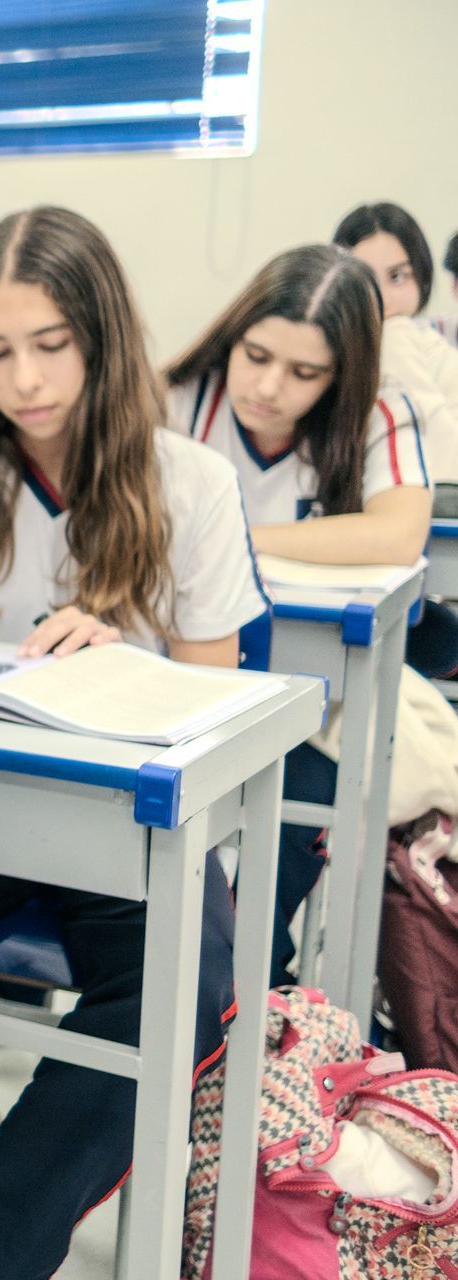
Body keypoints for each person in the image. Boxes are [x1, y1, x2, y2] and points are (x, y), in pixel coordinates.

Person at [0, 207, 263, 1279]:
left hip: (123, 832)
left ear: (102, 336)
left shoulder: (191, 482)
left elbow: (214, 699)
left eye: (50, 345)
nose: (23, 379)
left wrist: (124, 658)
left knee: (192, 977)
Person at [165, 243, 439, 983]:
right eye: (255, 356)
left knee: (301, 803)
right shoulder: (181, 398)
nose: (267, 387)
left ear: (342, 375)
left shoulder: (379, 414)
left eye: (304, 373)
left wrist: (225, 535)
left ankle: (247, 986)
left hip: (308, 707)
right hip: (174, 689)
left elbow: (397, 533)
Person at [332, 202, 458, 480]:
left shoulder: (442, 357)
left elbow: (449, 471)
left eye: (397, 277)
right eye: (364, 279)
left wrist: (396, 343)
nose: (383, 297)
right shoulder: (321, 357)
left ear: (422, 279)